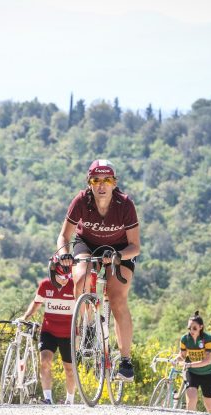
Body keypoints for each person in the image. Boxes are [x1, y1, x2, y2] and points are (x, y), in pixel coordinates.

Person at [56, 159, 140, 381]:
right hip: (88, 244)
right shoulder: (81, 201)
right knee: (81, 277)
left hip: (121, 250)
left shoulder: (125, 205)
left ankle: (125, 361)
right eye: (96, 180)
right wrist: (63, 253)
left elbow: (135, 246)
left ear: (114, 183)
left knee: (117, 298)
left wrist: (118, 256)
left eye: (107, 180)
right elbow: (64, 236)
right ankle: (90, 326)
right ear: (89, 183)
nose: (101, 185)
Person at [17, 263, 77, 405]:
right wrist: (25, 317)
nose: (64, 279)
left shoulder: (74, 286)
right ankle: (48, 398)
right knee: (44, 362)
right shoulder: (45, 285)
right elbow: (36, 303)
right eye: (61, 276)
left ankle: (70, 400)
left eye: (67, 276)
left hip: (68, 334)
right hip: (48, 331)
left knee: (69, 369)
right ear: (53, 274)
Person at [174, 311, 211, 413]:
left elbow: (208, 361)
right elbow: (182, 355)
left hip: (209, 374)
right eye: (189, 328)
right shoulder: (185, 339)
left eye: (194, 328)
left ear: (201, 327)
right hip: (192, 373)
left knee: (209, 406)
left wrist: (190, 364)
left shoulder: (208, 339)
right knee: (191, 399)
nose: (191, 330)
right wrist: (176, 359)